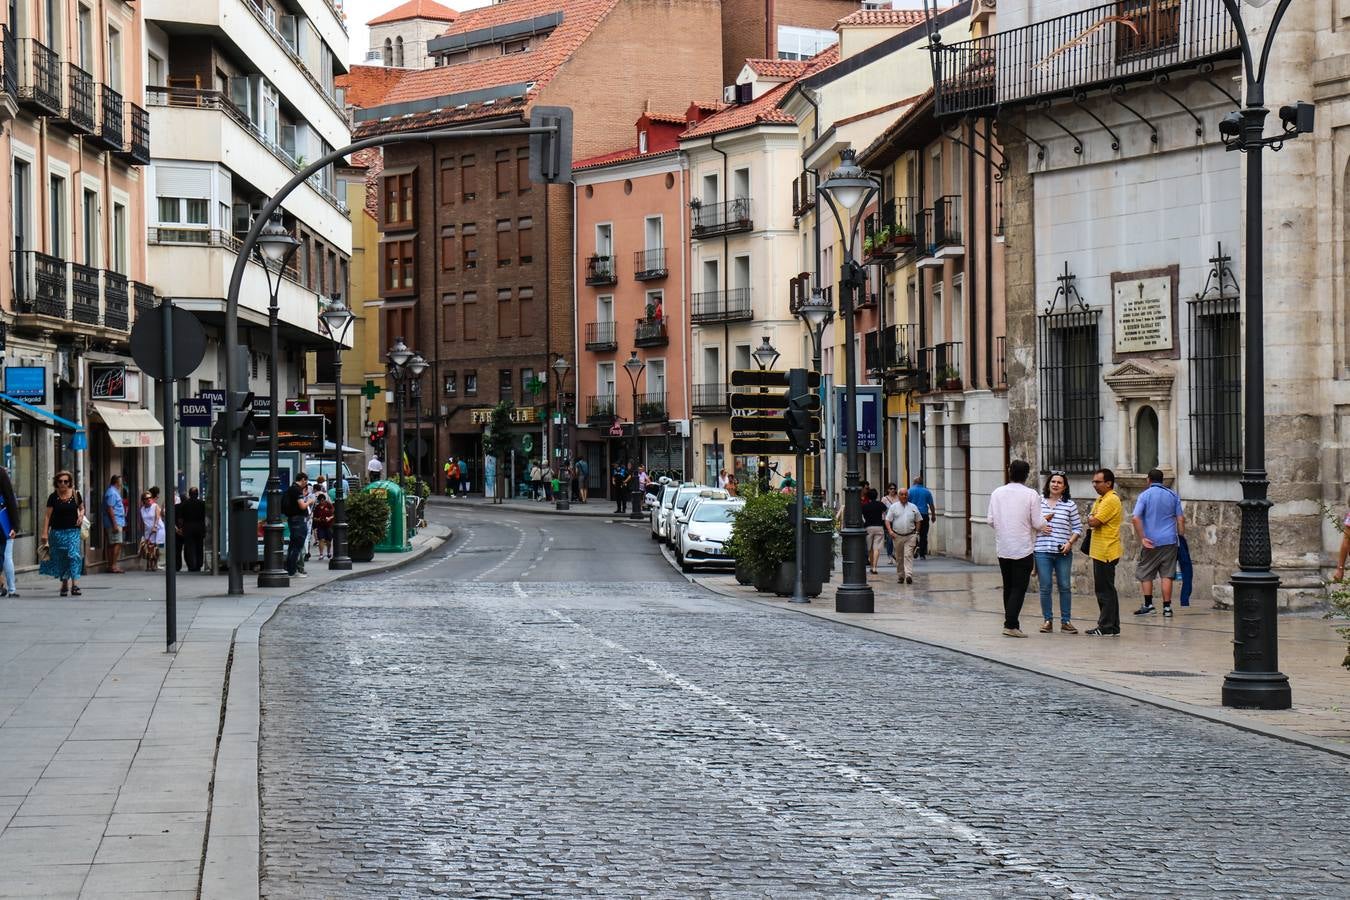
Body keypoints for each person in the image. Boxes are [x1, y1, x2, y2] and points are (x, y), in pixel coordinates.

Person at [987, 460, 1044, 638]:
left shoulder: (997, 493)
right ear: (1027, 475)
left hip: (1003, 546)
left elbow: (990, 520)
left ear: (1009, 472)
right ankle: (1010, 624)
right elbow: (1037, 522)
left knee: (1008, 587)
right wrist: (1046, 522)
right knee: (1019, 588)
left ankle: (1012, 622)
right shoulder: (1031, 494)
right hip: (1023, 547)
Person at [1132, 468, 1185, 618]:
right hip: (1170, 540)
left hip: (1151, 541)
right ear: (1162, 481)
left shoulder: (1144, 495)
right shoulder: (1172, 495)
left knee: (1146, 572)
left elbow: (1136, 518)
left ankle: (1148, 605)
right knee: (1167, 574)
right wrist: (1180, 536)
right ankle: (1167, 608)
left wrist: (1142, 537)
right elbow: (1180, 519)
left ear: (1148, 480)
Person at [1035, 471, 1083, 634]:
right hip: (1042, 550)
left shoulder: (1069, 504)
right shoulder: (1038, 502)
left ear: (1064, 487)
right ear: (1048, 484)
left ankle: (1066, 621)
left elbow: (1078, 528)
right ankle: (1047, 620)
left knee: (1065, 586)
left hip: (1063, 551)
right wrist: (1041, 526)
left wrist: (1070, 543)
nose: (1055, 484)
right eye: (1053, 481)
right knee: (1045, 586)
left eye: (1059, 482)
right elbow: (1029, 523)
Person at [1085, 468, 1124, 636]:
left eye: (1098, 482)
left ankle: (1106, 626)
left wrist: (1091, 518)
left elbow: (1094, 520)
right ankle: (1112, 626)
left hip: (1106, 551)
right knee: (1106, 589)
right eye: (1093, 481)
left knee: (1104, 590)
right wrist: (1091, 517)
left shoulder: (1110, 500)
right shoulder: (1101, 499)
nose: (1094, 484)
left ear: (1108, 483)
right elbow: (1092, 517)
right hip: (1100, 550)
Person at [40, 471, 85, 596]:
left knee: (74, 555)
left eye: (66, 481)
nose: (63, 484)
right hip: (57, 532)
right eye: (60, 481)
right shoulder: (53, 497)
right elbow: (47, 516)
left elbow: (82, 508)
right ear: (56, 483)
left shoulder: (76, 495)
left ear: (70, 482)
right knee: (62, 557)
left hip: (73, 531)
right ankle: (64, 583)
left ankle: (75, 584)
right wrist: (44, 532)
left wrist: (81, 515)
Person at [284, 473, 312, 578]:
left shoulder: (291, 489)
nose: (306, 484)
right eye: (306, 481)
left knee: (293, 545)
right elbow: (302, 506)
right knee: (297, 546)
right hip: (299, 520)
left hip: (293, 520)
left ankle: (290, 569)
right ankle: (292, 571)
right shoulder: (296, 490)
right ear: (303, 480)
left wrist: (303, 496)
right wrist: (310, 501)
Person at [0, 465, 19, 596]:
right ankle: (11, 588)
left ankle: (7, 587)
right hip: (4, 524)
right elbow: (11, 501)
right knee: (6, 556)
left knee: (5, 556)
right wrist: (14, 526)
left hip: (4, 524)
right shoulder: (1, 474)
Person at [860, 488, 888, 576]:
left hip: (868, 527)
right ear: (876, 496)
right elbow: (885, 511)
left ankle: (871, 566)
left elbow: (862, 516)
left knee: (870, 549)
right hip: (879, 527)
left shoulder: (864, 506)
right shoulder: (880, 504)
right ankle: (875, 567)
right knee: (876, 548)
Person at [178, 487, 207, 572]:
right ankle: (199, 564)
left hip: (188, 527)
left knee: (190, 547)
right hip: (200, 526)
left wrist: (181, 528)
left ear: (189, 494)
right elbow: (206, 516)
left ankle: (192, 565)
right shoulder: (202, 503)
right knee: (199, 546)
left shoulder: (184, 504)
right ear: (197, 494)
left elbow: (180, 519)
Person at [103, 474, 126, 574]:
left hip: (116, 521)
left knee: (112, 543)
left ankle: (111, 565)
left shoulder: (113, 491)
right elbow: (110, 508)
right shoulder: (112, 492)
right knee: (117, 543)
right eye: (120, 481)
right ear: (117, 482)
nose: (121, 483)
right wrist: (115, 524)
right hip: (114, 522)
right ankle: (113, 565)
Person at [909, 476, 935, 559]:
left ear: (914, 482)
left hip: (913, 515)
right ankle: (922, 553)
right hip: (924, 514)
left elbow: (906, 503)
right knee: (923, 534)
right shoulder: (926, 491)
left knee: (913, 533)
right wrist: (933, 515)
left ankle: (915, 547)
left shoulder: (910, 491)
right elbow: (931, 504)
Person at [138, 490, 165, 572]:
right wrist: (142, 531)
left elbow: (157, 517)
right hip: (148, 530)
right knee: (148, 547)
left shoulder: (155, 506)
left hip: (158, 528)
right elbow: (141, 521)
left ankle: (154, 564)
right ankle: (149, 564)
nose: (149, 499)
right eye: (147, 498)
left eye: (150, 497)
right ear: (143, 500)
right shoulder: (142, 509)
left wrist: (155, 526)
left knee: (155, 547)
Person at [312, 492, 334, 560]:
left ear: (325, 500)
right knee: (321, 539)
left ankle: (328, 552)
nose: (322, 502)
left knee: (328, 540)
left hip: (328, 525)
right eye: (320, 501)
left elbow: (334, 514)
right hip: (320, 525)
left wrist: (329, 518)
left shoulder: (329, 505)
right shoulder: (317, 507)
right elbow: (314, 517)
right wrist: (318, 519)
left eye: (323, 500)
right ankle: (321, 554)